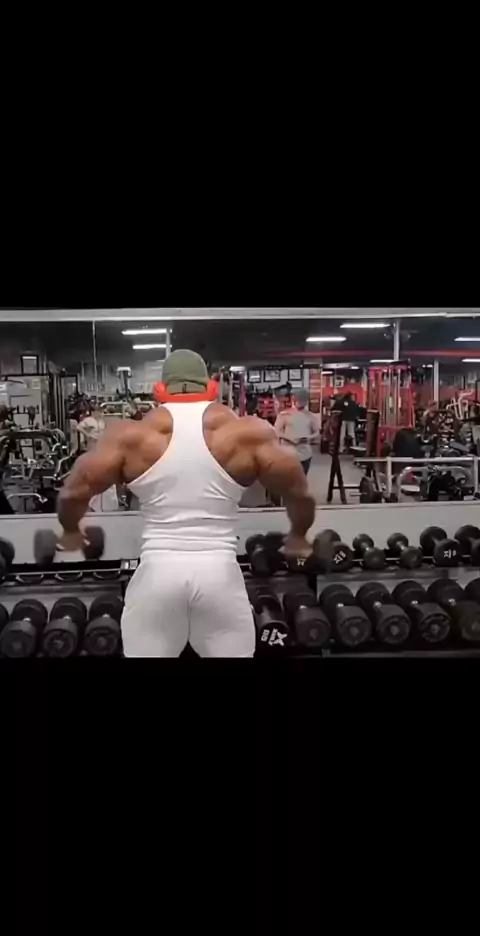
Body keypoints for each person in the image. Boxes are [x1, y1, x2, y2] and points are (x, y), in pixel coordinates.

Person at [56, 350, 316, 658]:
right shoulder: (248, 432)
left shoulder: (130, 436)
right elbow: (298, 491)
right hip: (220, 578)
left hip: (157, 577)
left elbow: (73, 492)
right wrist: (298, 535)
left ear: (159, 390)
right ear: (211, 388)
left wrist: (71, 531)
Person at [274, 389, 320, 475]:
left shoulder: (310, 416)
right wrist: (288, 438)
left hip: (305, 454)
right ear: (293, 399)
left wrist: (308, 438)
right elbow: (276, 431)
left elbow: (317, 433)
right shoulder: (284, 414)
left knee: (301, 478)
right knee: (288, 478)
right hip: (288, 453)